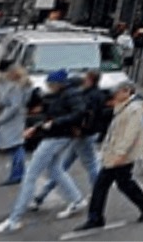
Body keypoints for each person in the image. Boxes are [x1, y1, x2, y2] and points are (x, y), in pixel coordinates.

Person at [0, 69, 87, 235]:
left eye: (51, 84)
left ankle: (14, 220)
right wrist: (37, 127)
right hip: (58, 136)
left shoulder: (69, 95)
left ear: (58, 84)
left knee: (30, 176)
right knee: (55, 170)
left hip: (56, 137)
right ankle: (76, 200)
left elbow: (76, 113)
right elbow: (52, 116)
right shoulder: (61, 94)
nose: (48, 87)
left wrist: (53, 123)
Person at [74, 81, 143, 231]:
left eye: (117, 92)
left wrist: (121, 153)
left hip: (122, 155)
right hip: (115, 153)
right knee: (122, 183)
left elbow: (131, 134)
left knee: (103, 185)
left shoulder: (134, 109)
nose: (115, 95)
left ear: (127, 92)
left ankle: (96, 218)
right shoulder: (123, 107)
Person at [30, 71, 106, 210]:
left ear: (90, 80)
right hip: (83, 134)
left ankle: (96, 194)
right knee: (63, 166)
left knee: (83, 165)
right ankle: (42, 195)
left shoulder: (89, 96)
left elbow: (86, 115)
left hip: (83, 135)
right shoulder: (95, 94)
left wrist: (80, 129)